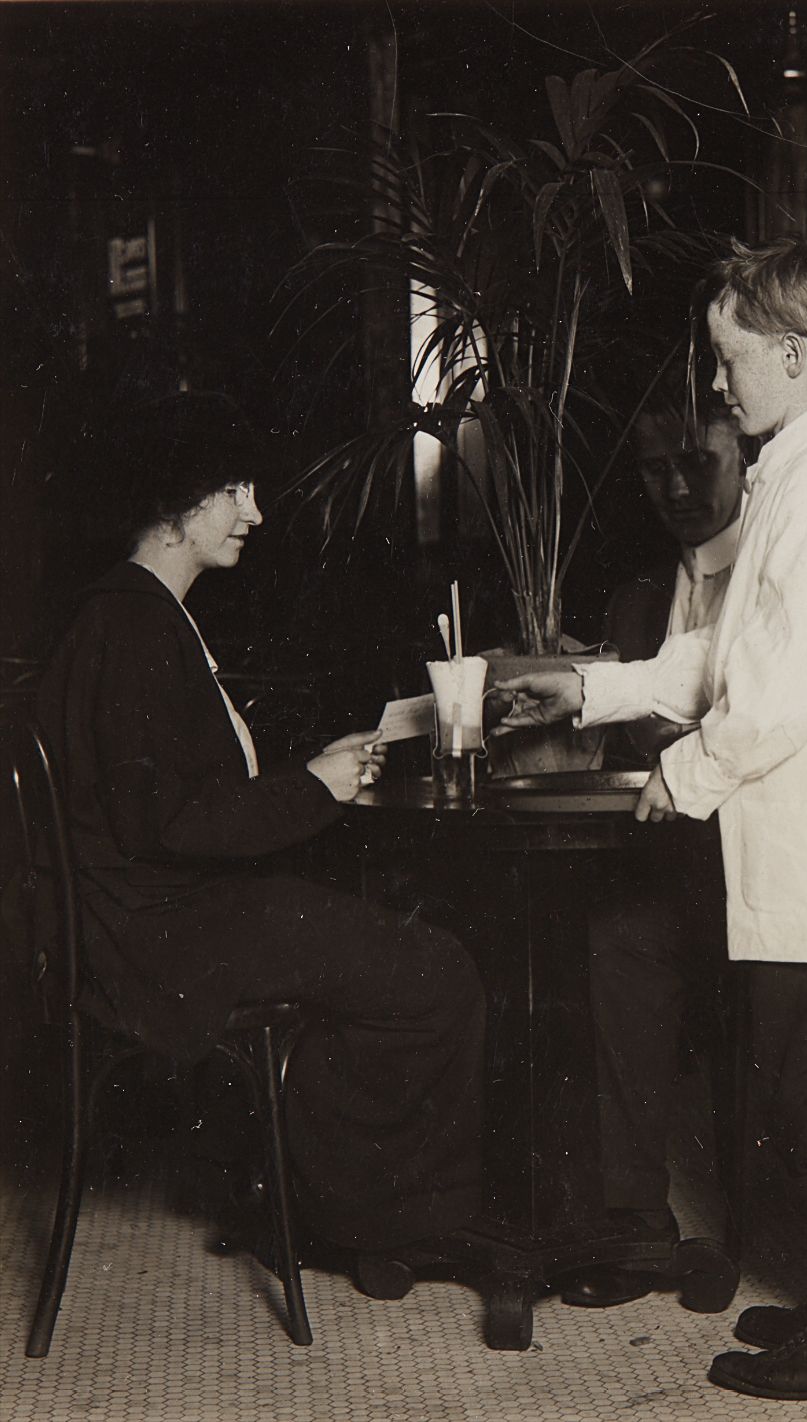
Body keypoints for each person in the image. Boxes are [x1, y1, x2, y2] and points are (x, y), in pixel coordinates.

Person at [501, 236, 807, 1401]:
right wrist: (596, 687)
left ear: (795, 356)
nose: (714, 382)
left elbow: (781, 693)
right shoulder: (796, 475)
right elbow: (725, 653)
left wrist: (683, 776)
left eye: (727, 358)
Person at [33, 393, 490, 1262]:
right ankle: (368, 1223)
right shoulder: (132, 625)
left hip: (152, 920)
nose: (256, 510)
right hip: (163, 937)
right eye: (234, 489)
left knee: (389, 956)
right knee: (439, 972)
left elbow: (173, 798)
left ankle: (306, 1196)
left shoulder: (134, 614)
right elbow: (169, 820)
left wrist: (311, 778)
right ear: (174, 501)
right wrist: (313, 789)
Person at [558, 394, 744, 1309]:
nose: (675, 487)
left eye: (696, 463)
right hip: (665, 853)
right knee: (615, 937)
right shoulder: (639, 598)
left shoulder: (771, 569)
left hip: (759, 856)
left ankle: (749, 1226)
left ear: (742, 453)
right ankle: (633, 1226)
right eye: (652, 470)